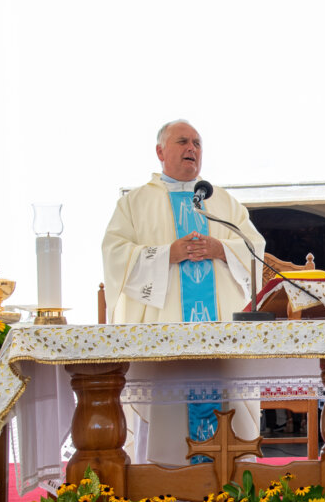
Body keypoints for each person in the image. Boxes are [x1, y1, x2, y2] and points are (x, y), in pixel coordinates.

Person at [102, 119, 265, 467]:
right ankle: (164, 492)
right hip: (164, 338)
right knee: (167, 420)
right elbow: (114, 254)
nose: (192, 148)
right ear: (160, 151)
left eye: (197, 143)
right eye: (182, 142)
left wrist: (221, 248)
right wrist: (166, 254)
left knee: (226, 403)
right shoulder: (134, 203)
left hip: (220, 336)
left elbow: (255, 248)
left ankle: (233, 493)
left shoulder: (222, 201)